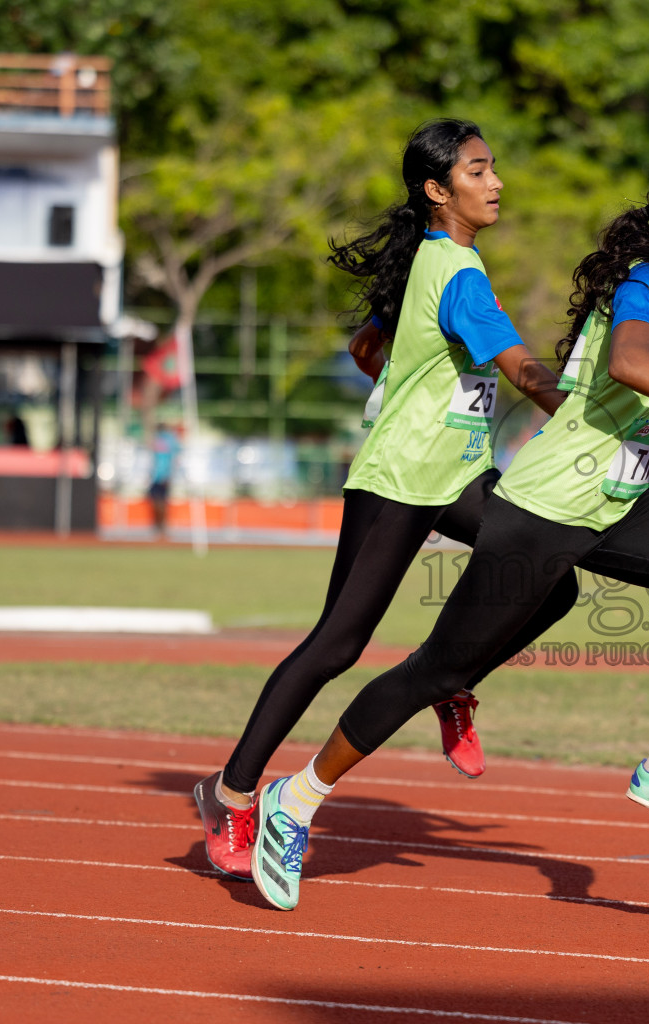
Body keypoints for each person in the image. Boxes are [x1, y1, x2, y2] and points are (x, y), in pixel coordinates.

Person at [248, 150, 649, 912]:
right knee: (433, 675)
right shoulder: (648, 276)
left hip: (615, 504)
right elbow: (627, 360)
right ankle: (295, 798)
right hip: (546, 508)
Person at [192, 119, 579, 881]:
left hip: (457, 479)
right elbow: (528, 375)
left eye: (493, 167)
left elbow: (366, 349)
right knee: (337, 645)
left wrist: (404, 386)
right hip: (400, 481)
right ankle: (230, 792)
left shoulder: (433, 267)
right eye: (478, 171)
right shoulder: (459, 275)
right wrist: (590, 413)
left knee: (553, 579)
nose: (496, 182)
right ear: (439, 191)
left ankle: (450, 679)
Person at [147, 423, 179, 538]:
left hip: (162, 476)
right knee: (156, 502)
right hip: (156, 476)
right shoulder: (161, 440)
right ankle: (158, 526)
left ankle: (162, 527)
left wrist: (168, 475)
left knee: (161, 502)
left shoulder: (168, 440)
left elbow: (171, 459)